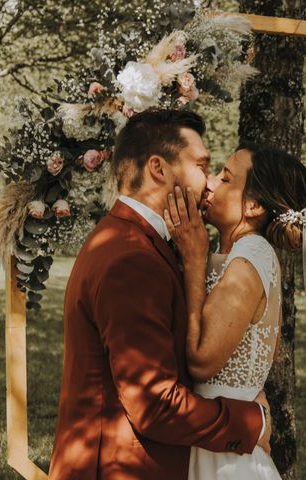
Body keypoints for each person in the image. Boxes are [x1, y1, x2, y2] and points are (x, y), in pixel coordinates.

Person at [48, 110, 271, 480]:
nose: (209, 181)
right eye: (202, 165)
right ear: (159, 169)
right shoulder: (133, 260)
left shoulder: (125, 238)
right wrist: (253, 422)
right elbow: (155, 405)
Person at [165, 142, 306, 480]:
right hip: (216, 434)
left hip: (227, 457)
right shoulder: (234, 254)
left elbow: (201, 359)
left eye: (225, 179)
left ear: (253, 206)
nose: (210, 182)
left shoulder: (250, 256)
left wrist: (194, 258)